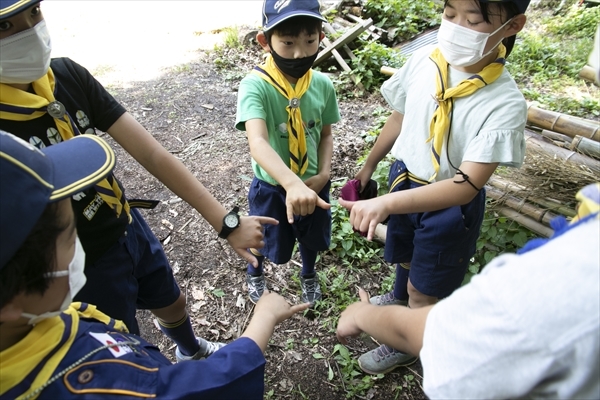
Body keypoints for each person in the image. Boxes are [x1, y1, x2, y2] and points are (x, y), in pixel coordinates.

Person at [0, 0, 278, 362]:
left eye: (34, 12)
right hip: (74, 262)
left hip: (126, 223)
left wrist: (224, 223)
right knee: (122, 341)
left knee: (172, 300)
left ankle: (189, 350)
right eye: (6, 26)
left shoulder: (66, 77)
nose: (30, 32)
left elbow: (153, 154)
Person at [0, 130, 310, 399]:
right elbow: (209, 387)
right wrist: (264, 318)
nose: (79, 247)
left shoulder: (30, 322)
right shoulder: (105, 385)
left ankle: (190, 348)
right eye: (71, 238)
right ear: (13, 300)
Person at [338, 0, 530, 373]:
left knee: (425, 289)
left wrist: (388, 206)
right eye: (449, 14)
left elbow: (465, 186)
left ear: (512, 26)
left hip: (447, 207)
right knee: (406, 256)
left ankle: (410, 340)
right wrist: (369, 165)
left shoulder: (504, 103)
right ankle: (398, 299)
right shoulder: (427, 60)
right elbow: (400, 117)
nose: (456, 27)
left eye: (473, 20)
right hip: (404, 180)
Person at [336, 183, 600, 399]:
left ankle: (402, 348)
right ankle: (399, 305)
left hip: (449, 210)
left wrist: (362, 314)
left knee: (422, 286)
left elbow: (446, 335)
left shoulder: (562, 282)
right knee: (409, 267)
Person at [235, 0, 341, 305]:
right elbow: (258, 143)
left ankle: (308, 274)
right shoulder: (255, 87)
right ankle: (255, 271)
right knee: (264, 238)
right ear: (264, 41)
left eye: (310, 41)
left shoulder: (321, 85)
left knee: (311, 236)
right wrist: (290, 184)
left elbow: (325, 135)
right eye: (288, 42)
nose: (300, 53)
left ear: (321, 37)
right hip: (273, 187)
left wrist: (323, 173)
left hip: (313, 184)